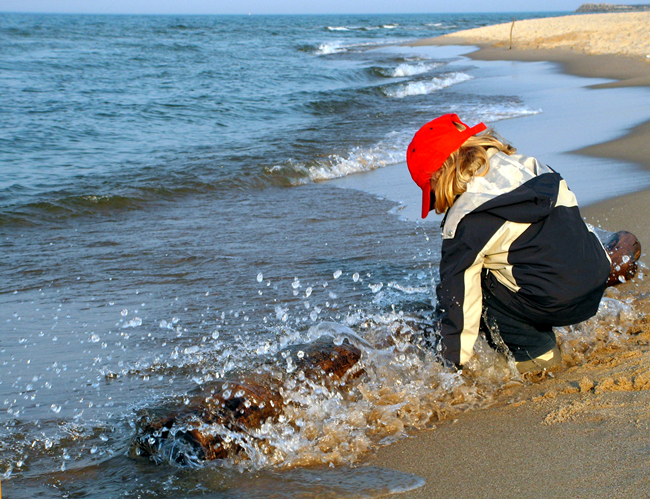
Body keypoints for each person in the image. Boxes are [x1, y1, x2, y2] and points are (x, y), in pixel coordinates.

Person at [406, 113, 612, 373]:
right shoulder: (531, 166)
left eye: (432, 191)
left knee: (476, 282)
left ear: (439, 177)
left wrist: (451, 364)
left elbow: (460, 300)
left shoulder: (466, 221)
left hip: (554, 300)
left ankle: (538, 356)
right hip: (595, 278)